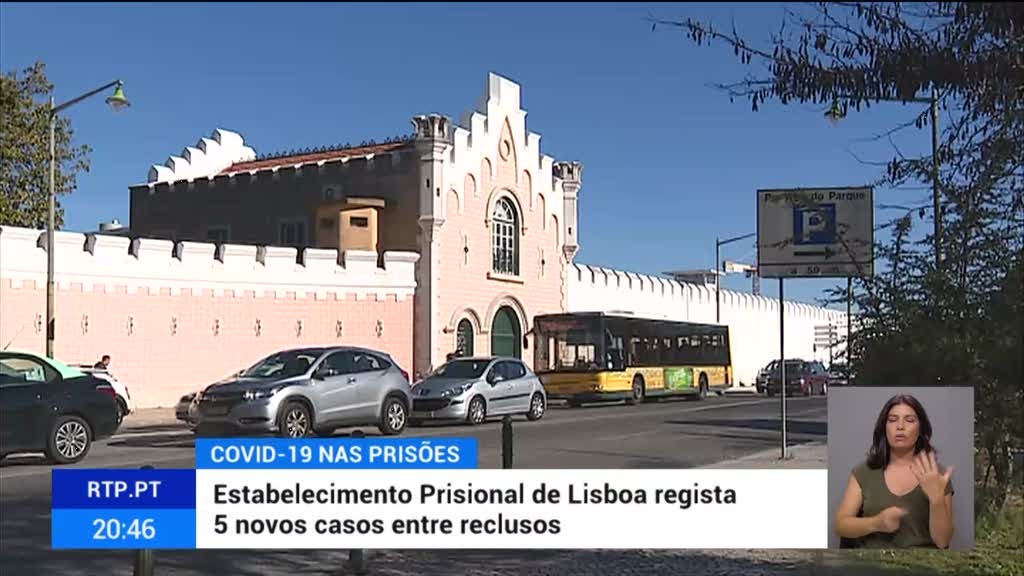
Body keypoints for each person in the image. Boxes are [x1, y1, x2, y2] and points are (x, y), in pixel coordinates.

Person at [834, 394, 955, 549]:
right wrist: (876, 523)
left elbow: (943, 542)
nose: (900, 426)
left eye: (909, 420)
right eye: (892, 420)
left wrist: (937, 500)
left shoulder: (937, 475)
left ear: (920, 429)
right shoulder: (864, 472)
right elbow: (840, 525)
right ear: (884, 428)